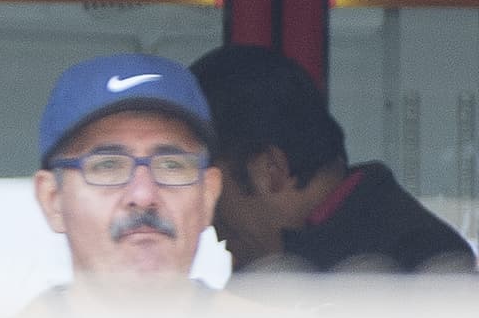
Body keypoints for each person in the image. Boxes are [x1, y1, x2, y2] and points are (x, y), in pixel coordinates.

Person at [0, 53, 335, 318]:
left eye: (172, 166)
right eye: (107, 166)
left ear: (208, 195)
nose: (143, 195)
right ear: (53, 199)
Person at [190, 43, 476, 275]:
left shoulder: (421, 268)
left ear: (271, 169)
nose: (210, 224)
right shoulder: (394, 232)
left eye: (214, 189)